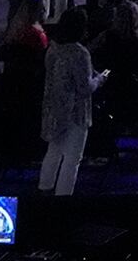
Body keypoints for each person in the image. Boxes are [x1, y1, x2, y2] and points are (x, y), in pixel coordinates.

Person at [38, 10, 103, 196]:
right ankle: (63, 196)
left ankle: (45, 187)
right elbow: (85, 87)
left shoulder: (53, 48)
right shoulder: (79, 53)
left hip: (54, 107)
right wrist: (99, 79)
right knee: (73, 158)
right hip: (76, 112)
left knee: (54, 150)